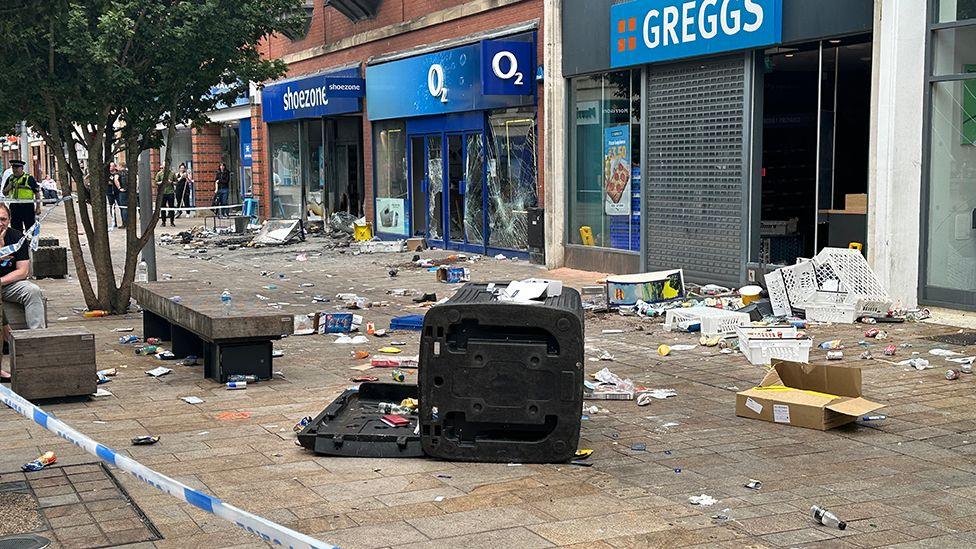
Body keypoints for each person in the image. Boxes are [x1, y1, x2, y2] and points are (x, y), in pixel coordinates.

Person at [0, 202, 46, 329]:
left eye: (3, 219)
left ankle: (37, 336)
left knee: (33, 291)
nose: (0, 223)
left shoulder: (17, 237)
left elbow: (23, 271)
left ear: (9, 220)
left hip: (10, 284)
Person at [1, 160, 41, 233]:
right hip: (14, 207)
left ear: (22, 168)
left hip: (27, 207)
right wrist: (8, 188)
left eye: (17, 168)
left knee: (30, 227)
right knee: (16, 228)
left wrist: (38, 207)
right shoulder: (10, 178)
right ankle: (18, 243)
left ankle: (29, 243)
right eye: (13, 168)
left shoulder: (29, 178)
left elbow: (37, 193)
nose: (15, 170)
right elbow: (4, 193)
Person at [115, 162, 130, 228]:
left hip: (123, 192)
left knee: (123, 207)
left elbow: (116, 180)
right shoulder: (128, 172)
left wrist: (119, 188)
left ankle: (125, 223)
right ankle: (129, 222)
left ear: (120, 166)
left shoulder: (118, 173)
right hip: (129, 191)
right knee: (129, 207)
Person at [106, 162, 119, 228]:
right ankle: (114, 222)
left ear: (115, 167)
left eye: (112, 166)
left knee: (122, 206)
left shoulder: (118, 173)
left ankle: (125, 222)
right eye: (110, 166)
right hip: (109, 192)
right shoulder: (107, 174)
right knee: (112, 207)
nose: (110, 168)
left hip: (118, 192)